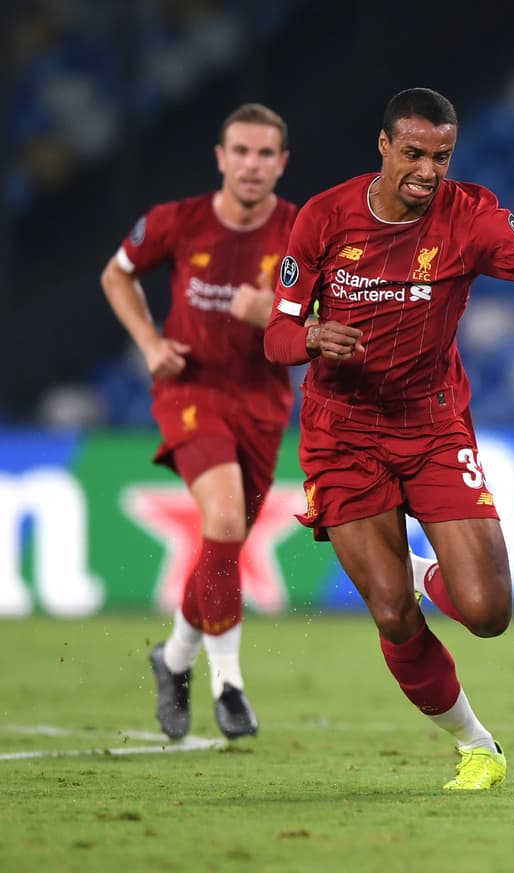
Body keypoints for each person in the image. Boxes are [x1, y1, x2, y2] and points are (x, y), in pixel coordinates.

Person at [263, 87, 514, 790]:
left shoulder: (472, 219)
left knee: (487, 613)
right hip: (343, 433)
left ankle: (430, 570)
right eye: (416, 154)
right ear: (385, 146)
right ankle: (477, 745)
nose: (429, 171)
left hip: (431, 425)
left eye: (443, 157)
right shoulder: (323, 218)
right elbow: (276, 334)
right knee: (393, 614)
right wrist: (308, 336)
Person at [101, 103, 298, 741]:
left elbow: (323, 318)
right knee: (220, 519)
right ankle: (230, 687)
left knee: (224, 546)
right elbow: (117, 275)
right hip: (191, 393)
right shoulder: (177, 222)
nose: (251, 164)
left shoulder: (301, 232)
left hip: (263, 403)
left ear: (282, 163)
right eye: (240, 151)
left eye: (265, 154)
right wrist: (150, 343)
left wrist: (272, 313)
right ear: (220, 157)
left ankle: (174, 656)